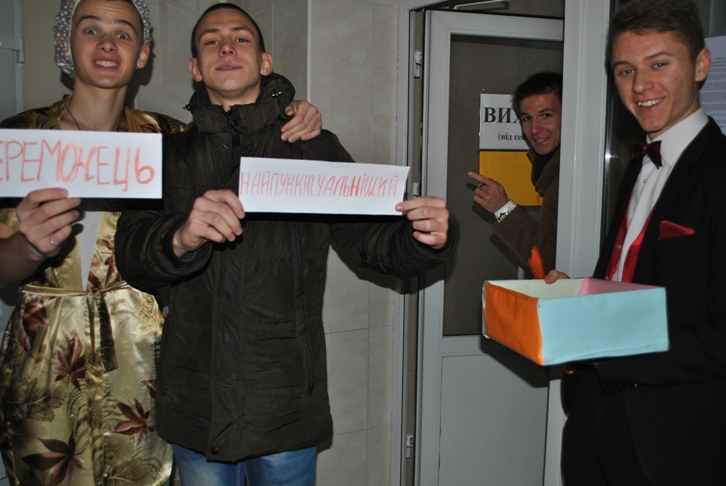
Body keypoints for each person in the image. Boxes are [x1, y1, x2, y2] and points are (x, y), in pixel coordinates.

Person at [113, 4, 459, 485]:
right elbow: (131, 254)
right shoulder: (167, 156)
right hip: (196, 402)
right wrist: (179, 236)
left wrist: (425, 237)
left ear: (265, 62)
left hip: (286, 400)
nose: (226, 47)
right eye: (211, 41)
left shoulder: (313, 147)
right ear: (195, 67)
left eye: (241, 38)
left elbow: (370, 238)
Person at [0, 0, 322, 484]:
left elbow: (235, 127)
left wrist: (292, 109)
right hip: (46, 357)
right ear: (67, 43)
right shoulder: (18, 140)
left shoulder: (167, 138)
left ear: (143, 54)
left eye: (123, 34)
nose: (107, 44)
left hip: (142, 359)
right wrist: (26, 247)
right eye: (91, 30)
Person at [547, 1, 726, 484]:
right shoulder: (640, 163)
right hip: (594, 411)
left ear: (701, 65)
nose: (640, 86)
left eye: (659, 64)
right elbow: (638, 275)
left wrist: (611, 352)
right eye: (625, 70)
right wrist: (581, 294)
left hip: (673, 435)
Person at [468, 72, 562, 274]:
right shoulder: (552, 167)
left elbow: (548, 264)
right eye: (527, 118)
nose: (534, 129)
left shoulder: (575, 177)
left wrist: (503, 208)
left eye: (546, 115)